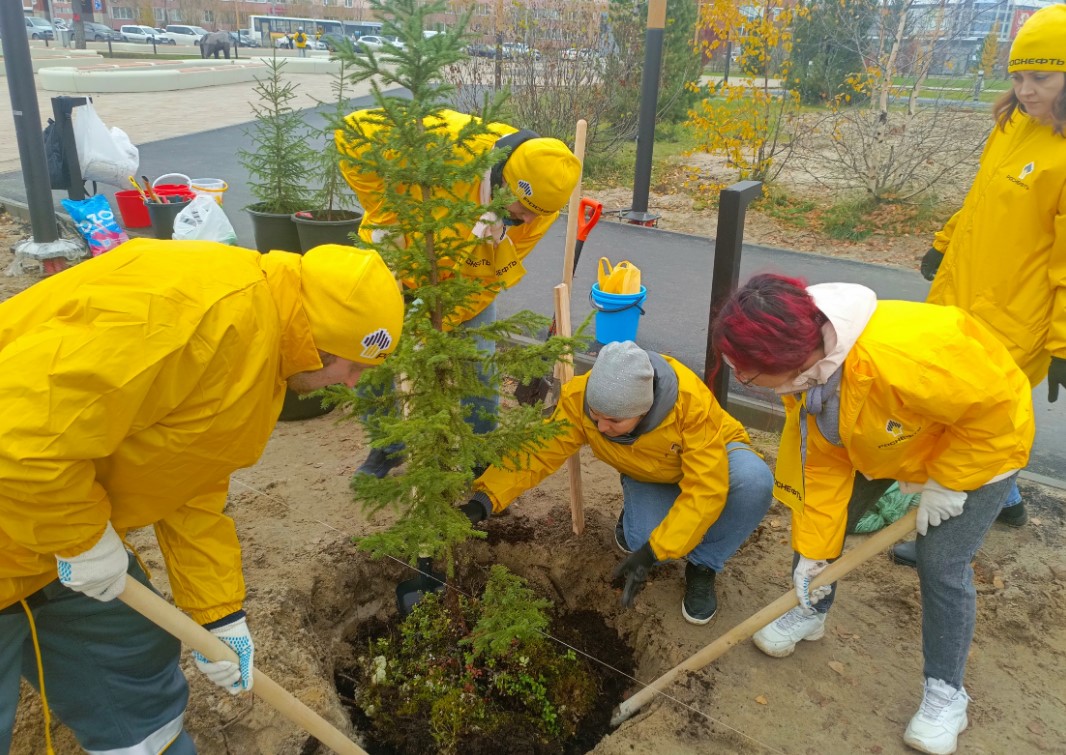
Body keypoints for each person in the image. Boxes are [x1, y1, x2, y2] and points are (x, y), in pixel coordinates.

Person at [0, 240, 403, 754]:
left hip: (50, 527)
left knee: (131, 661)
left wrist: (219, 612)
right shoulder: (193, 319)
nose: (352, 384)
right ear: (316, 340)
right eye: (353, 366)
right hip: (32, 502)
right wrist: (80, 540)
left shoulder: (264, 341)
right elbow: (21, 441)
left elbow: (190, 475)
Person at [712, 274, 1033, 755]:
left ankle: (947, 693)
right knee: (823, 525)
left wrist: (949, 480)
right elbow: (821, 467)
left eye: (749, 375)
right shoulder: (810, 377)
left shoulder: (910, 354)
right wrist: (814, 557)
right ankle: (812, 610)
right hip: (884, 441)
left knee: (940, 562)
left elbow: (998, 416)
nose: (743, 381)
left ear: (793, 361)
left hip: (980, 449)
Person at [904, 4, 1066, 561]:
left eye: (1041, 77)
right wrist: (944, 240)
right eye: (1018, 77)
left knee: (972, 424)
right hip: (962, 300)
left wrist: (1063, 345)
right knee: (965, 412)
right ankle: (1008, 499)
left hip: (1017, 319)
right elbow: (981, 199)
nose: (1025, 90)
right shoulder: (1013, 126)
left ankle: (942, 540)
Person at [338, 108, 581, 478]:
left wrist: (439, 319)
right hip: (397, 262)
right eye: (523, 210)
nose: (529, 221)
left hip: (468, 278)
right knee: (372, 356)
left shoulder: (540, 205)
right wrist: (387, 214)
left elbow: (491, 275)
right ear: (504, 181)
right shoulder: (451, 143)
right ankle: (388, 445)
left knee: (478, 364)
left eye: (539, 214)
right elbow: (352, 134)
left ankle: (477, 451)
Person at [459, 341, 774, 625]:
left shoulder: (689, 404)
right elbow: (537, 452)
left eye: (614, 421)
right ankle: (636, 519)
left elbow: (707, 488)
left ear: (644, 409)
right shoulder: (580, 399)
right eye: (596, 416)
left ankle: (704, 564)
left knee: (754, 482)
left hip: (714, 458)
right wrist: (485, 499)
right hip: (645, 470)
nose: (602, 426)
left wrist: (654, 551)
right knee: (641, 539)